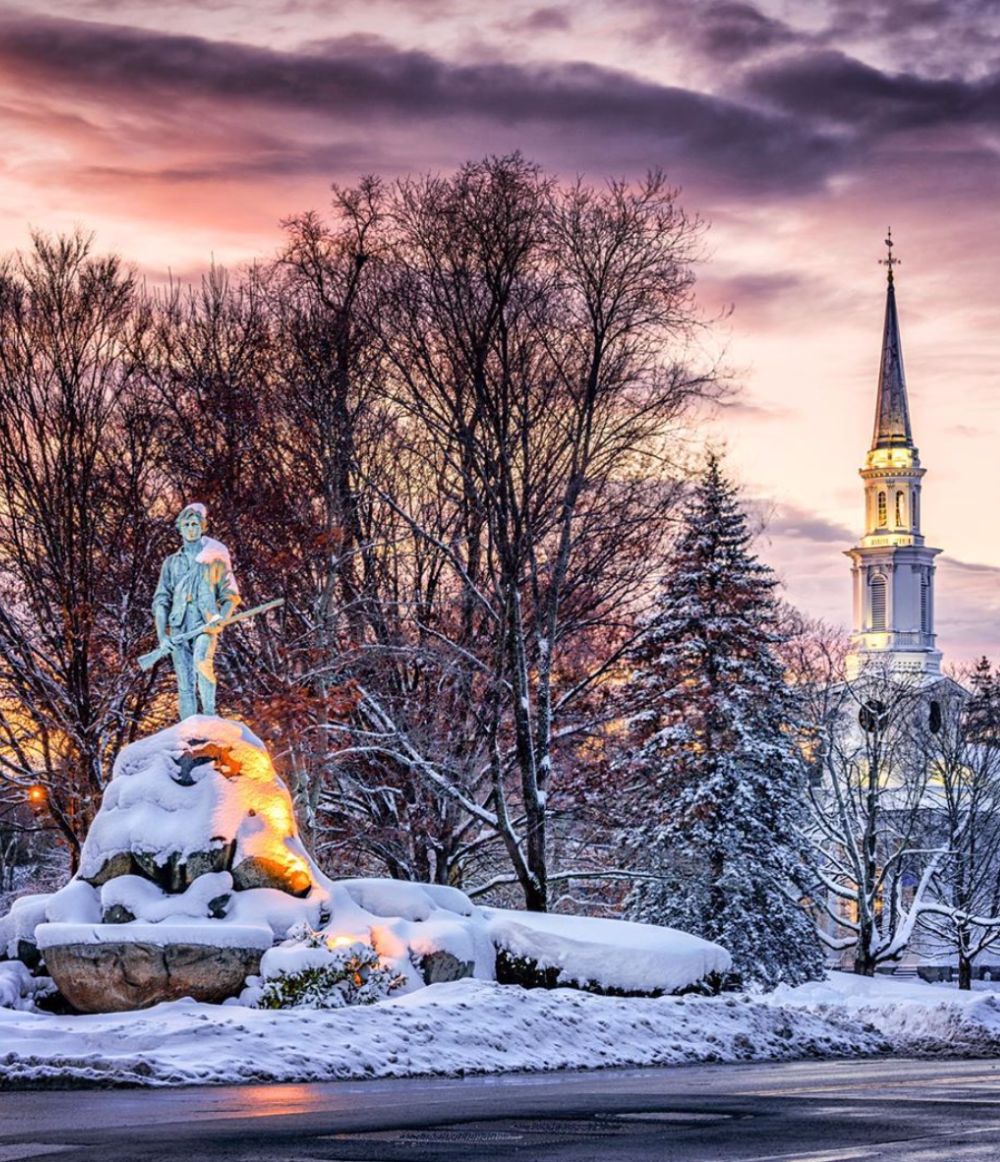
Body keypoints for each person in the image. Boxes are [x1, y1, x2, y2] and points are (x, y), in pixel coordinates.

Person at [152, 503, 240, 719]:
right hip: (179, 627)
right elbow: (161, 600)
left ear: (203, 527)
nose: (191, 528)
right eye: (187, 524)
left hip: (205, 625)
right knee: (184, 683)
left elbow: (230, 596)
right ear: (180, 529)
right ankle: (187, 729)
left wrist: (221, 618)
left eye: (195, 524)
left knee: (202, 662)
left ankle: (209, 716)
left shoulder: (214, 559)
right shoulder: (170, 564)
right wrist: (162, 635)